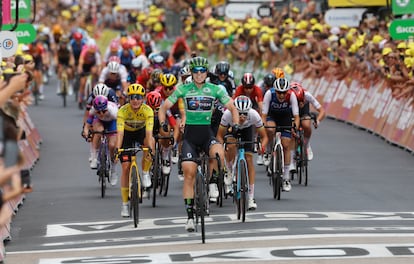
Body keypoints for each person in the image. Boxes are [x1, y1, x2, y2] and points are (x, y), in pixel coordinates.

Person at [158, 56, 239, 232]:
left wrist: (236, 123)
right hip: (190, 137)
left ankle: (212, 182)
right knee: (189, 173)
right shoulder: (183, 89)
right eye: (196, 71)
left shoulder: (215, 89)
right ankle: (189, 216)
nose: (200, 74)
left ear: (207, 72)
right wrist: (163, 123)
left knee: (218, 155)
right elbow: (163, 107)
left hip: (207, 133)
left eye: (203, 71)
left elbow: (233, 107)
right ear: (192, 73)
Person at [216, 96, 268, 210]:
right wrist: (221, 147)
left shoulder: (254, 115)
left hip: (247, 131)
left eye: (245, 113)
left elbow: (264, 137)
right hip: (232, 129)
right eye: (239, 113)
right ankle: (229, 171)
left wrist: (262, 148)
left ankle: (251, 198)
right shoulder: (228, 115)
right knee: (230, 145)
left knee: (249, 160)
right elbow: (219, 136)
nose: (242, 117)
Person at [115, 83, 155, 217]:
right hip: (126, 134)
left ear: (142, 98)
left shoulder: (148, 111)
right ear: (128, 99)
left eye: (138, 97)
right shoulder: (122, 111)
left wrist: (149, 149)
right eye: (132, 97)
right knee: (126, 168)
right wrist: (117, 149)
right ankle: (125, 204)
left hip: (141, 133)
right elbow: (120, 134)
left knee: (151, 143)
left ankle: (145, 173)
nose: (135, 100)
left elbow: (149, 134)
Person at [261, 78, 299, 192]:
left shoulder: (291, 95)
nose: (281, 95)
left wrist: (295, 127)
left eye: (284, 92)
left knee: (286, 145)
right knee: (271, 129)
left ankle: (286, 178)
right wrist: (262, 127)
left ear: (287, 91)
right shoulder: (269, 94)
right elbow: (264, 114)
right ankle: (268, 152)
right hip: (272, 116)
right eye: (279, 92)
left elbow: (296, 117)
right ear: (275, 90)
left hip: (285, 117)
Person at [83, 95, 118, 185]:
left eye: (104, 111)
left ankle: (113, 171)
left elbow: (121, 127)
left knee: (112, 145)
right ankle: (94, 156)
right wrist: (86, 131)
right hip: (99, 122)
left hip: (112, 122)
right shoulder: (93, 110)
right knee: (98, 131)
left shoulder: (114, 112)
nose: (101, 113)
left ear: (107, 107)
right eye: (98, 112)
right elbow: (87, 124)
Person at [289, 81, 325, 168]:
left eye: (302, 101)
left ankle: (306, 145)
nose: (300, 104)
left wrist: (318, 121)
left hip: (303, 112)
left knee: (306, 125)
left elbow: (322, 111)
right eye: (298, 101)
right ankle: (291, 160)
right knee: (292, 130)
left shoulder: (307, 94)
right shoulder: (288, 96)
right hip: (291, 112)